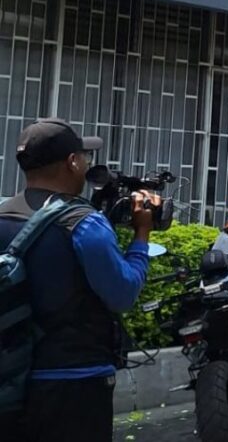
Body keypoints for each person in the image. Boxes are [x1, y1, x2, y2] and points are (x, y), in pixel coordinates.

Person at [0, 119, 158, 441]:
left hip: (12, 384)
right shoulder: (84, 223)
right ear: (73, 162)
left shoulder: (3, 216)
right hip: (76, 383)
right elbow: (123, 292)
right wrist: (142, 234)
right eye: (84, 156)